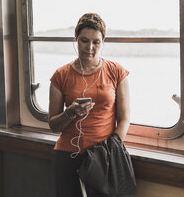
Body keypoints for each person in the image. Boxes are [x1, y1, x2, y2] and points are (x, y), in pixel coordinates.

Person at [48, 13, 130, 197]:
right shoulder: (60, 76)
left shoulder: (116, 72)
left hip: (105, 157)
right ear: (75, 38)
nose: (90, 48)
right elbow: (53, 125)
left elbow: (124, 119)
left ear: (103, 42)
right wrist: (70, 112)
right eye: (84, 40)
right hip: (68, 155)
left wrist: (111, 151)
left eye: (96, 42)